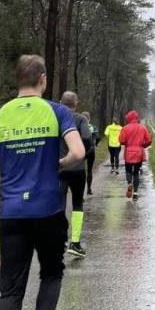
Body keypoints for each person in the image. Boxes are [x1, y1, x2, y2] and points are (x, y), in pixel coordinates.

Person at [0, 54, 85, 310]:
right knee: (52, 273)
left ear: (18, 80)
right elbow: (79, 152)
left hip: (11, 213)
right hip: (47, 209)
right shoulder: (58, 111)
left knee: (10, 292)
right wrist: (56, 163)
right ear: (42, 78)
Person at [59, 91, 92, 258]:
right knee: (78, 204)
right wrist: (83, 152)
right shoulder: (80, 119)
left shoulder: (55, 117)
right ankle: (75, 243)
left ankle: (60, 240)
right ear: (76, 104)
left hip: (59, 167)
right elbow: (87, 138)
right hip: (78, 168)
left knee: (59, 204)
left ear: (60, 102)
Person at [118, 110, 152, 199]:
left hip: (129, 152)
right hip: (139, 153)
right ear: (136, 118)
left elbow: (121, 141)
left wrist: (127, 144)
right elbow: (149, 140)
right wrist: (143, 146)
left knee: (128, 170)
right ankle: (136, 193)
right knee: (136, 172)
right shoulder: (142, 127)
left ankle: (129, 183)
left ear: (129, 118)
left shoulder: (125, 128)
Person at [81, 111, 100, 195]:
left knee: (81, 170)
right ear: (89, 119)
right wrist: (96, 144)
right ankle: (89, 189)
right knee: (89, 170)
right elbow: (98, 137)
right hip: (91, 150)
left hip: (81, 150)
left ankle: (80, 193)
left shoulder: (79, 126)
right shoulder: (93, 127)